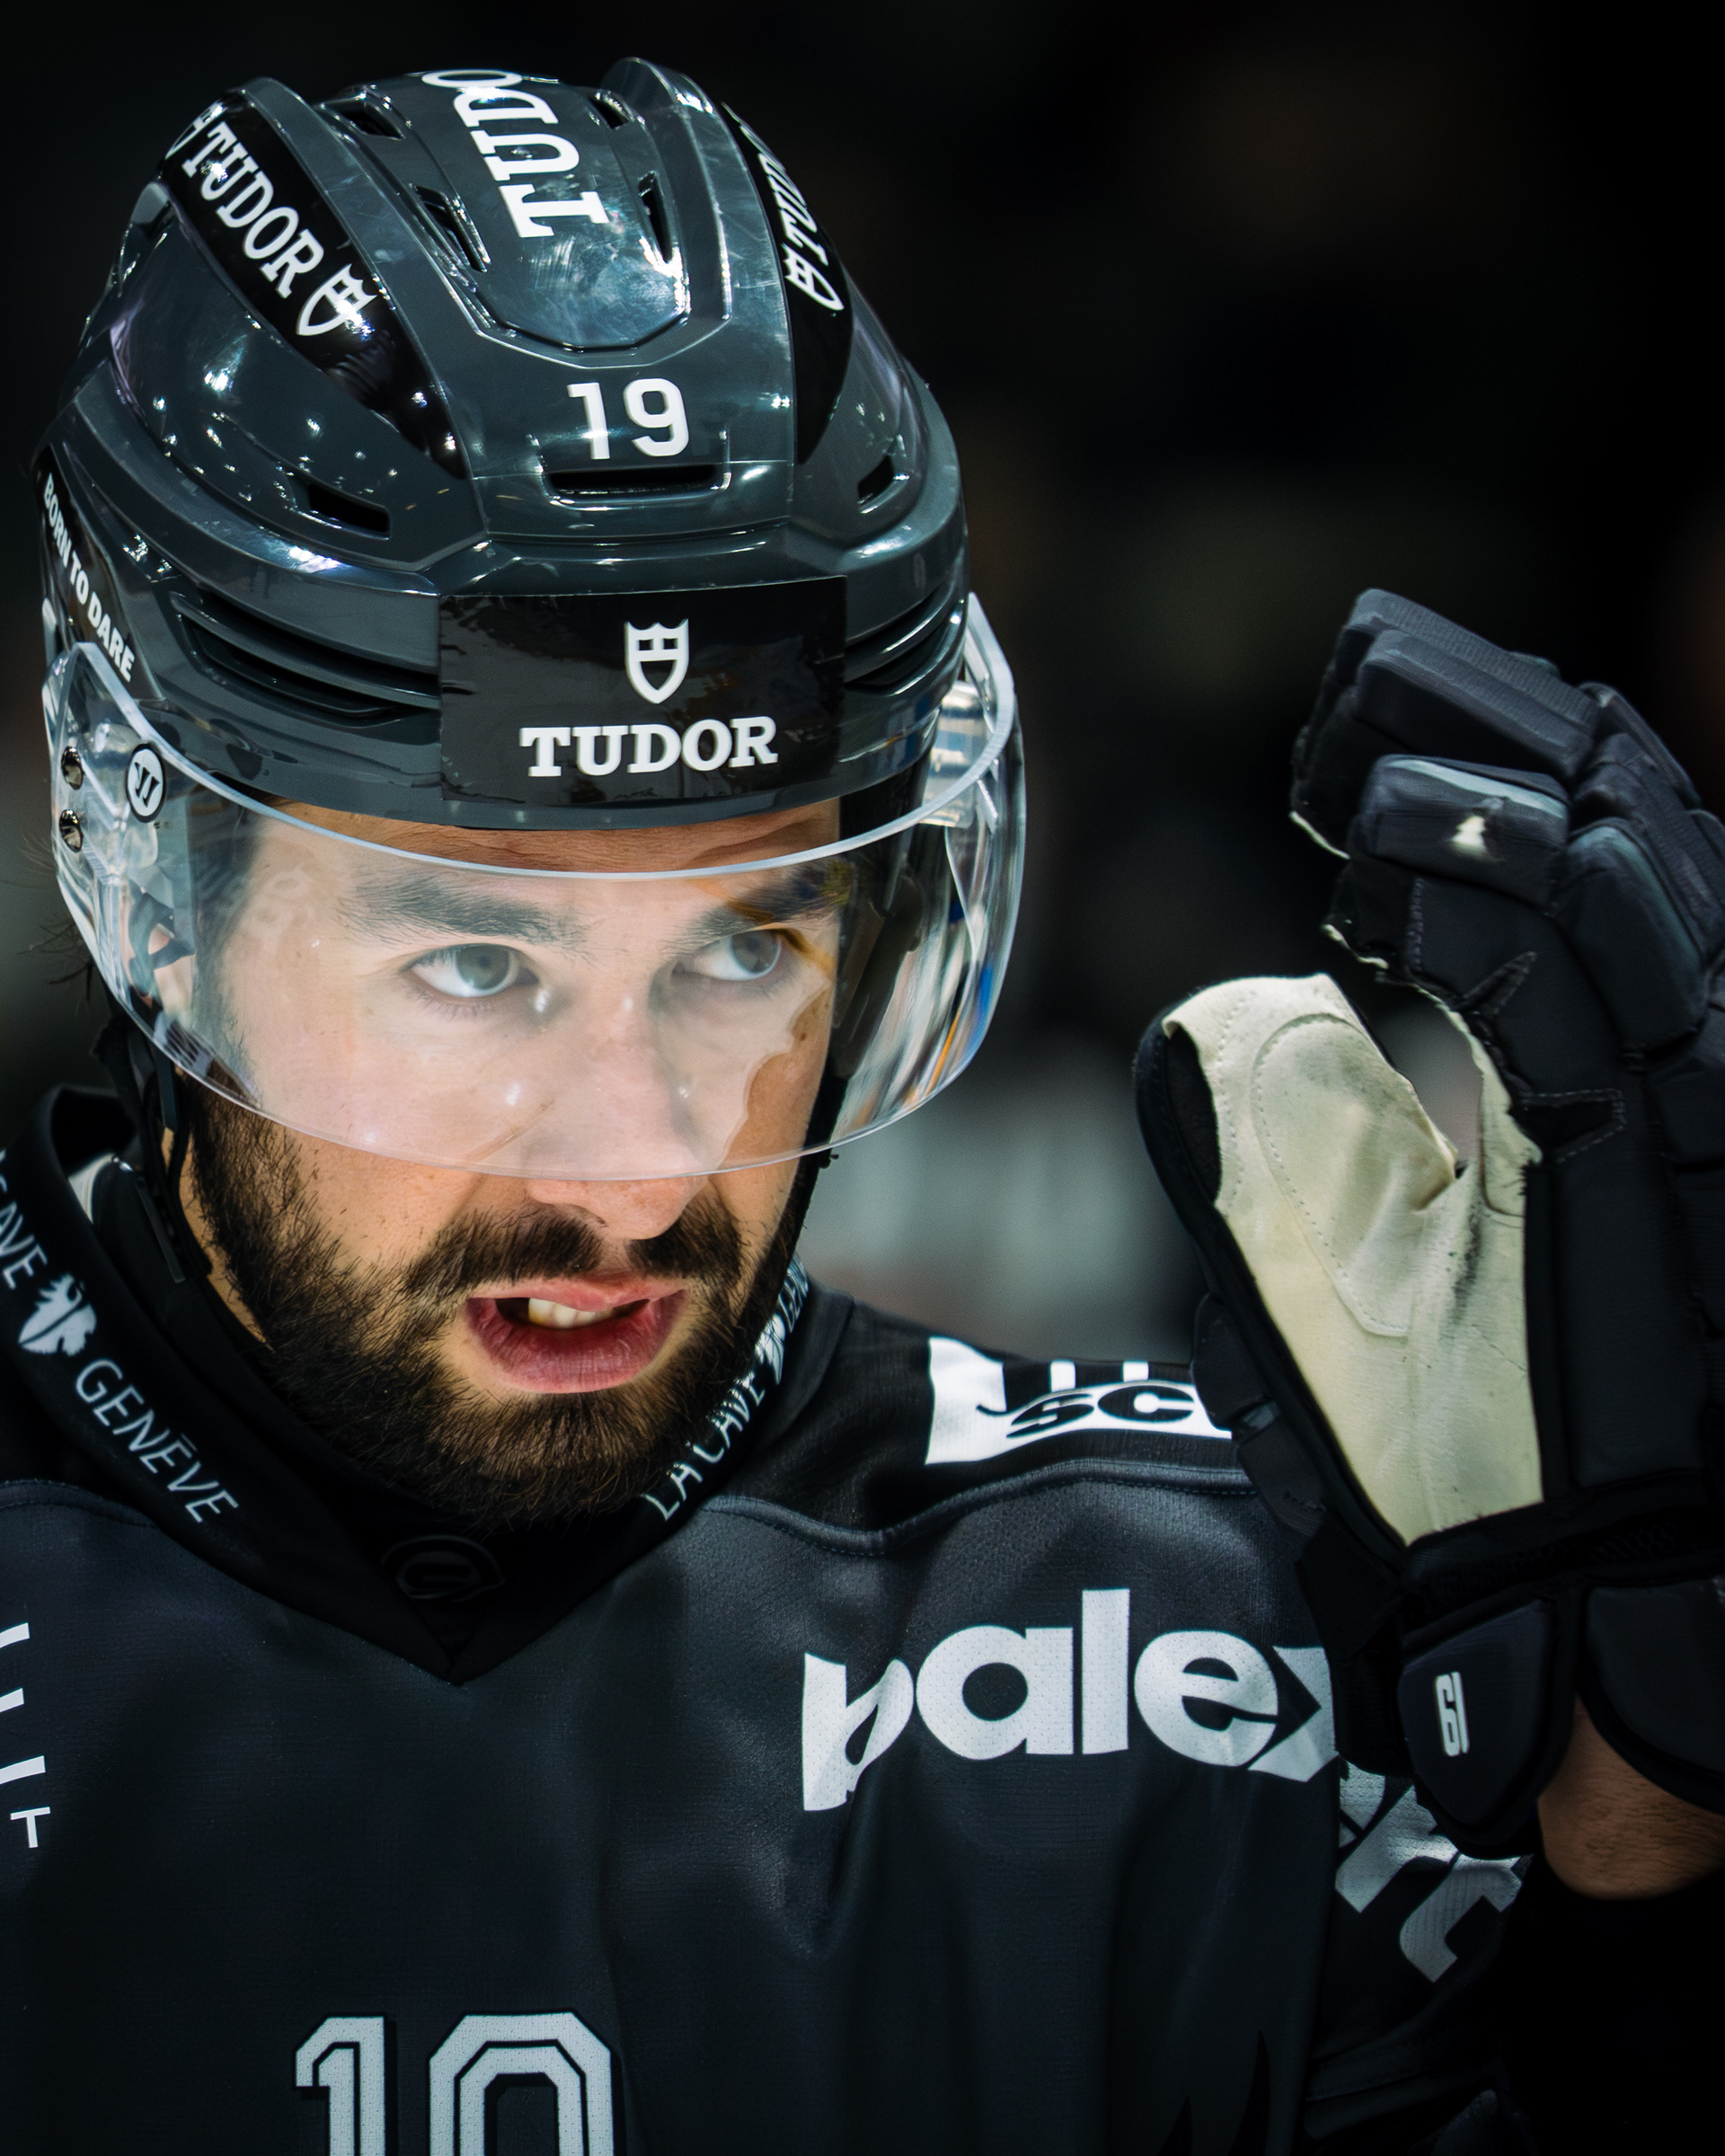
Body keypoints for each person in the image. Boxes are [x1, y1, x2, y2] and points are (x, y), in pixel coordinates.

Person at [1, 58, 1718, 2154]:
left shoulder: (1203, 1642)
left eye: (744, 953)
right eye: (476, 966)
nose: (638, 1169)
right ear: (153, 878)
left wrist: (1645, 1903)